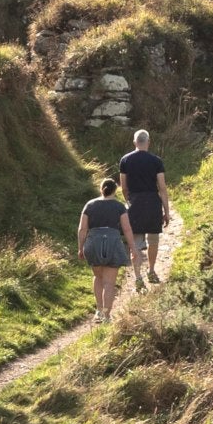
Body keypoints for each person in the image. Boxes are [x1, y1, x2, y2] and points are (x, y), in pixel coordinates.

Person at [118, 129, 172, 290]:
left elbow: (124, 187)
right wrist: (166, 211)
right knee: (153, 240)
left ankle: (138, 277)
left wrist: (129, 200)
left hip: (135, 202)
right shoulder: (156, 161)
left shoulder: (125, 160)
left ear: (135, 142)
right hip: (153, 203)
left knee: (135, 242)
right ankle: (152, 270)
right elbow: (162, 188)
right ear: (148, 142)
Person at [79, 175, 132, 321]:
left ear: (101, 189)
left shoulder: (90, 205)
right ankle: (106, 315)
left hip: (93, 242)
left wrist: (80, 247)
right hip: (113, 242)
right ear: (115, 190)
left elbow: (82, 229)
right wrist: (133, 248)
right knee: (109, 283)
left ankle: (98, 311)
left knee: (98, 276)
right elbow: (127, 229)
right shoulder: (119, 206)